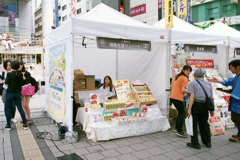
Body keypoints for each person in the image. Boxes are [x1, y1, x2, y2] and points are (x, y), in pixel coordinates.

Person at [209, 59, 240, 142]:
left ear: (238, 67)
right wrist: (218, 81)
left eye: (231, 68)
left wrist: (230, 92)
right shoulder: (237, 76)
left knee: (238, 118)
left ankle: (239, 137)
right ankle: (239, 133)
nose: (230, 70)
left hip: (238, 101)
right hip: (236, 101)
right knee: (236, 118)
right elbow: (229, 82)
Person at [186, 68, 214, 149]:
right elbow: (211, 97)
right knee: (204, 123)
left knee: (193, 124)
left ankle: (195, 143)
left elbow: (192, 96)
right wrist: (212, 110)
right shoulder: (208, 83)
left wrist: (189, 109)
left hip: (196, 105)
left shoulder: (192, 83)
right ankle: (207, 142)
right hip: (205, 106)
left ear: (194, 76)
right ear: (203, 76)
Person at [170, 65, 192, 138]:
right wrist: (190, 91)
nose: (188, 72)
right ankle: (179, 130)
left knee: (180, 112)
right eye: (187, 70)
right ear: (183, 70)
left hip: (173, 97)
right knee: (182, 113)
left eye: (190, 71)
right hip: (178, 97)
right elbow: (183, 89)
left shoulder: (177, 76)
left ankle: (177, 128)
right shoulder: (185, 78)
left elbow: (172, 86)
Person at [5, 61, 28, 130]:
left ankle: (8, 125)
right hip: (17, 93)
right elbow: (23, 83)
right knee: (20, 108)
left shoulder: (9, 74)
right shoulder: (20, 74)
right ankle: (24, 124)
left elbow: (7, 84)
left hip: (9, 93)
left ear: (11, 66)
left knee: (8, 108)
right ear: (18, 67)